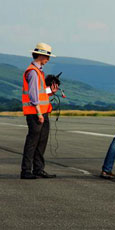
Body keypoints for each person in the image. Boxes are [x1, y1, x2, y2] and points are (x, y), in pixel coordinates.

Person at [20, 42, 58, 179]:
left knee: (41, 141)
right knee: (32, 142)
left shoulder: (38, 71)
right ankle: (26, 171)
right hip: (36, 113)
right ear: (41, 55)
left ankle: (38, 169)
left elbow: (40, 93)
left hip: (42, 112)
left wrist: (51, 92)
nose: (48, 60)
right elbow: (33, 94)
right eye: (47, 56)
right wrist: (39, 113)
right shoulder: (33, 72)